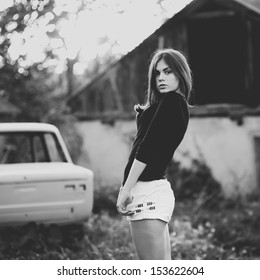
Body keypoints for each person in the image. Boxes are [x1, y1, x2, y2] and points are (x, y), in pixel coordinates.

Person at [116, 48, 192, 260]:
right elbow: (149, 141)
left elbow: (147, 148)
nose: (161, 78)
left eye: (168, 72)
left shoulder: (173, 102)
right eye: (157, 73)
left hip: (146, 191)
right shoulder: (171, 105)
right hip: (154, 191)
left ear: (181, 73)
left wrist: (125, 189)